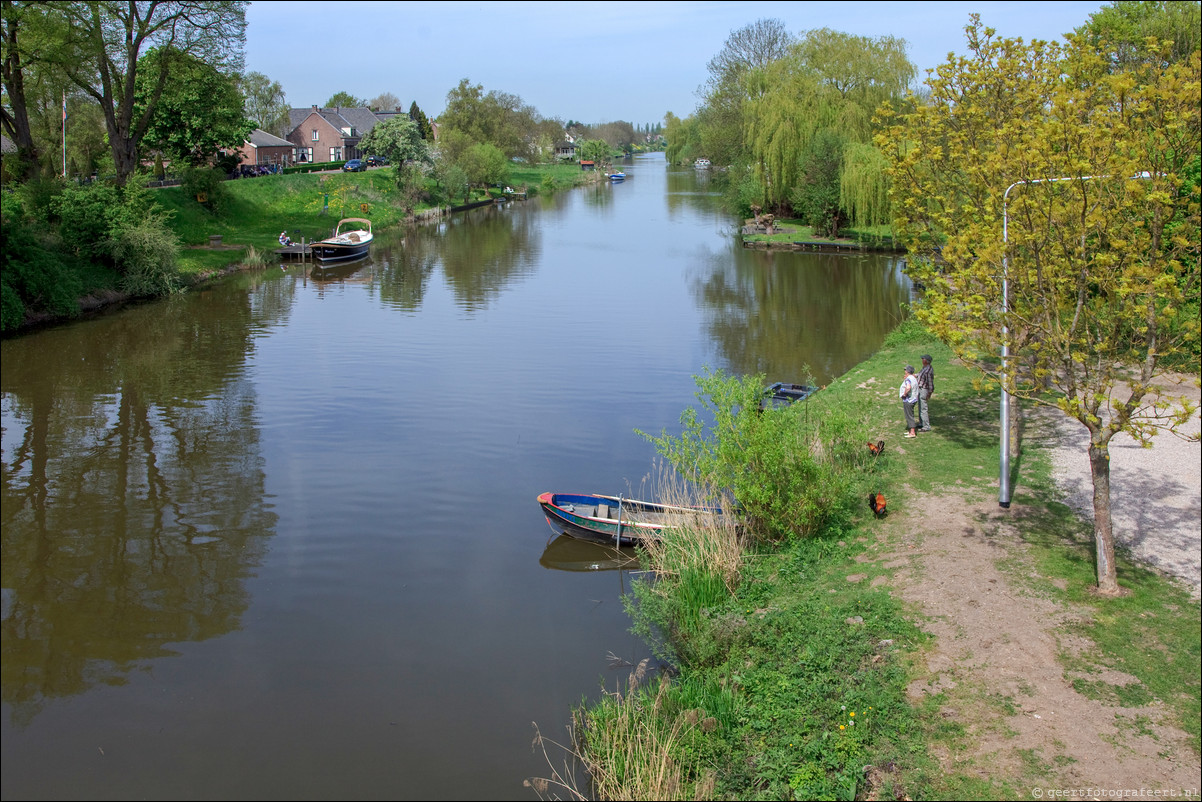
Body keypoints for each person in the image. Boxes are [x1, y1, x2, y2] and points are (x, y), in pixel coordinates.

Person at [899, 364, 919, 438]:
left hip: (909, 400)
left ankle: (912, 433)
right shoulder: (913, 378)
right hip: (913, 399)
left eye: (905, 370)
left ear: (907, 371)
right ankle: (910, 431)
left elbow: (908, 387)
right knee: (910, 414)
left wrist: (904, 394)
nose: (904, 371)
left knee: (909, 416)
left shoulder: (908, 379)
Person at [917, 354, 935, 432]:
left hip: (924, 390)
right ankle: (922, 423)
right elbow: (920, 375)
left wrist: (929, 393)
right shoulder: (924, 368)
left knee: (923, 408)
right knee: (920, 407)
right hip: (920, 389)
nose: (922, 360)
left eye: (923, 359)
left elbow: (930, 383)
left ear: (926, 361)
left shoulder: (928, 370)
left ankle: (926, 426)